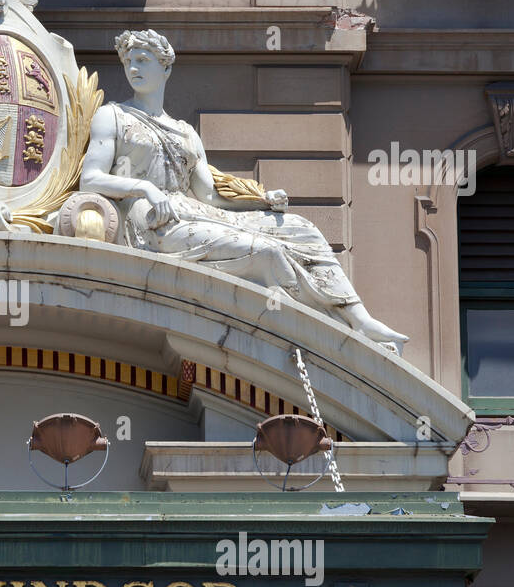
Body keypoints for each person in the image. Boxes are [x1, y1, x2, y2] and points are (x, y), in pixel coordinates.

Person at [79, 29, 408, 353]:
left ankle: (358, 319)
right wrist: (145, 188)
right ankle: (319, 339)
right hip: (153, 222)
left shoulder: (186, 133)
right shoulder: (113, 116)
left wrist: (262, 200)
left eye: (142, 59)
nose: (133, 68)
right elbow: (90, 179)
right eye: (129, 62)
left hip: (192, 211)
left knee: (302, 229)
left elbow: (207, 194)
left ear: (165, 67)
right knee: (267, 252)